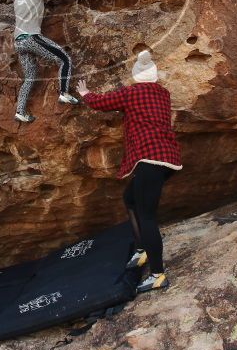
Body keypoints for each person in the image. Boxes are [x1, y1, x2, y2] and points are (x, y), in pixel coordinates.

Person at [76, 50, 182, 293]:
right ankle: (142, 249)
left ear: (136, 77)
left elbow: (101, 103)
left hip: (150, 160)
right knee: (130, 198)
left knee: (147, 217)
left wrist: (85, 93)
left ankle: (157, 275)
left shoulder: (131, 93)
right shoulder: (162, 94)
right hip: (167, 160)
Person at [13, 0, 93, 123]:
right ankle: (64, 92)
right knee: (64, 59)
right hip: (31, 37)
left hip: (18, 41)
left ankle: (20, 111)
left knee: (29, 76)